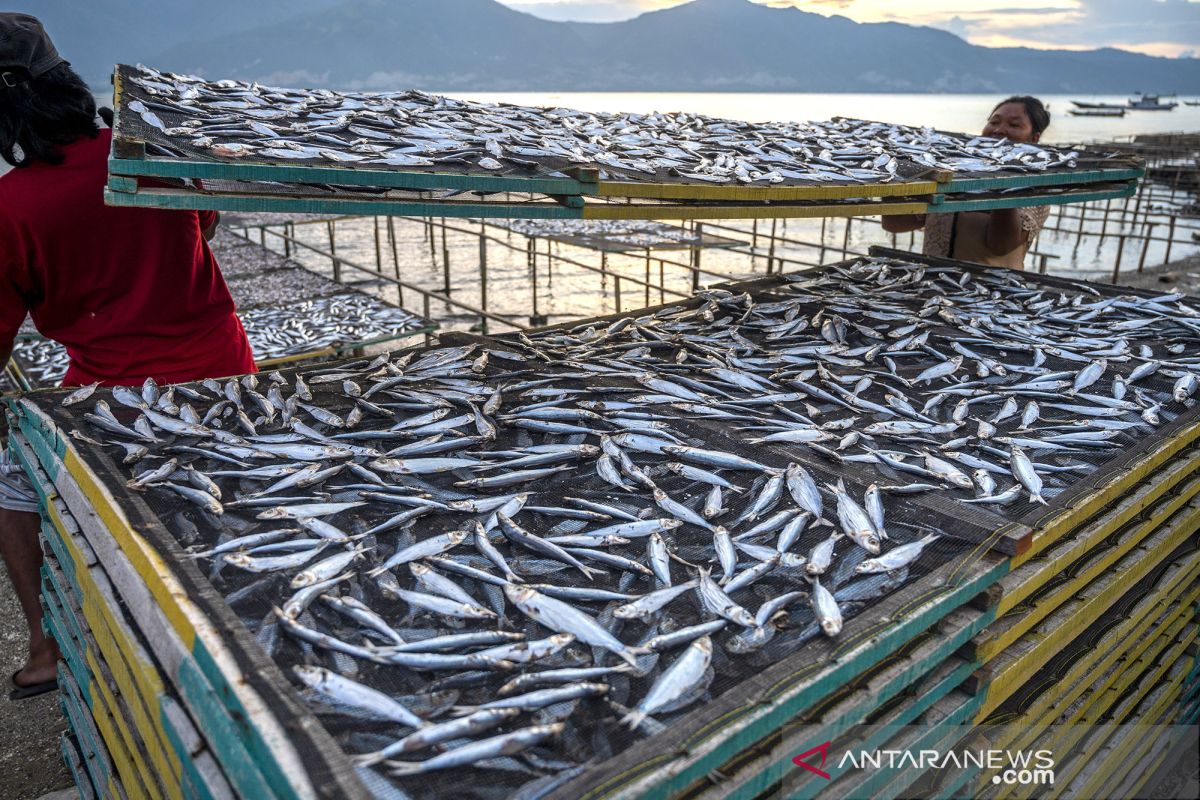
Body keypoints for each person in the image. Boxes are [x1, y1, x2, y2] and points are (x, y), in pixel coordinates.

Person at [0, 13, 256, 699]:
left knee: (7, 488)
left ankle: (46, 646)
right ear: (66, 83)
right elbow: (204, 226)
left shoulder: (10, 206)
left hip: (113, 398)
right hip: (229, 371)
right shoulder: (148, 154)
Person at [882, 96, 1053, 270]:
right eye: (994, 122)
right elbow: (894, 223)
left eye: (1014, 125)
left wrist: (1004, 183)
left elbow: (1000, 246)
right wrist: (892, 169)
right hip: (932, 286)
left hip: (991, 291)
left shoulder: (1035, 188)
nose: (999, 130)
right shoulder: (956, 174)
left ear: (1034, 138)